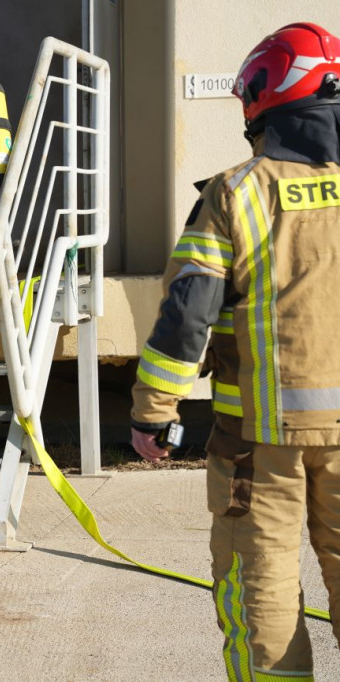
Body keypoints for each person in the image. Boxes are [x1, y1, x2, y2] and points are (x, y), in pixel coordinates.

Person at [130, 23, 340, 678]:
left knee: (262, 586)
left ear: (263, 95)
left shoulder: (236, 194)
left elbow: (188, 314)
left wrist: (151, 411)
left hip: (257, 439)